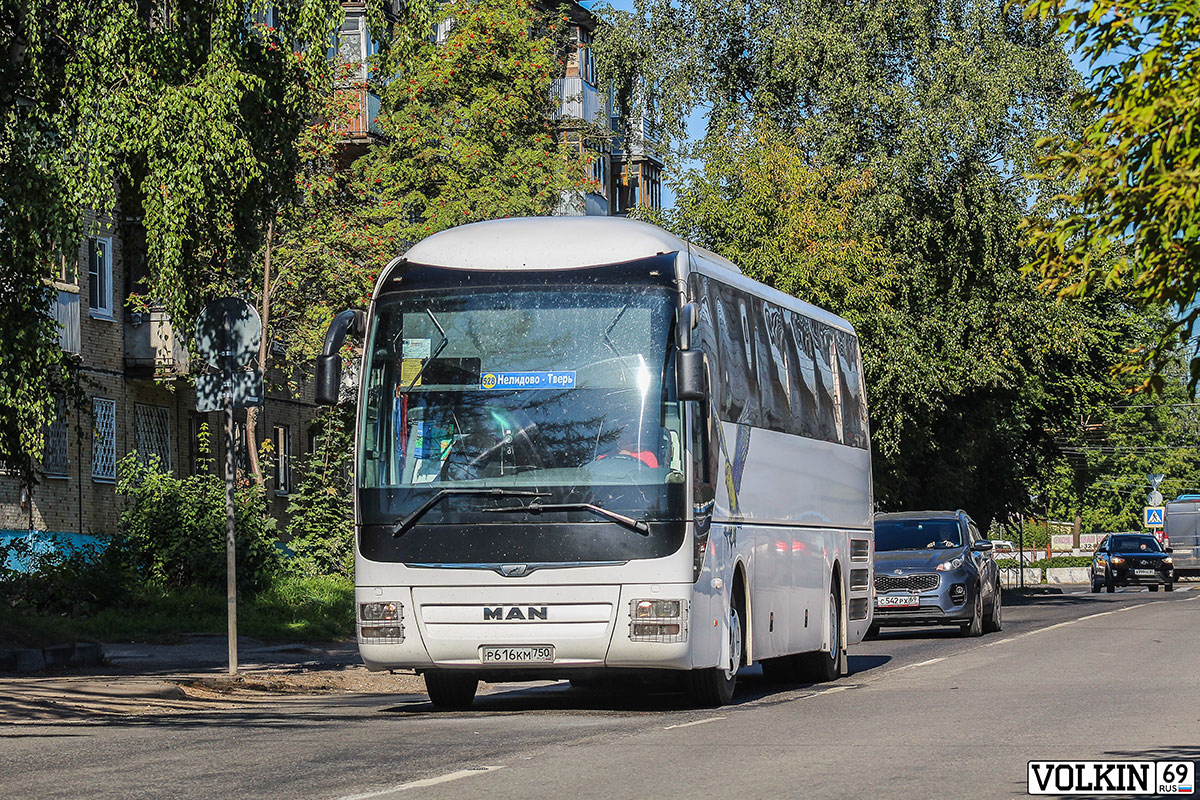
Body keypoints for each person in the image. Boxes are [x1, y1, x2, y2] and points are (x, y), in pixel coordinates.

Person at [595, 426, 659, 468]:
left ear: (633, 434)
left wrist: (630, 455)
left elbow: (651, 479)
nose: (621, 435)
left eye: (626, 431)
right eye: (617, 432)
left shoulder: (647, 456)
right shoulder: (603, 458)